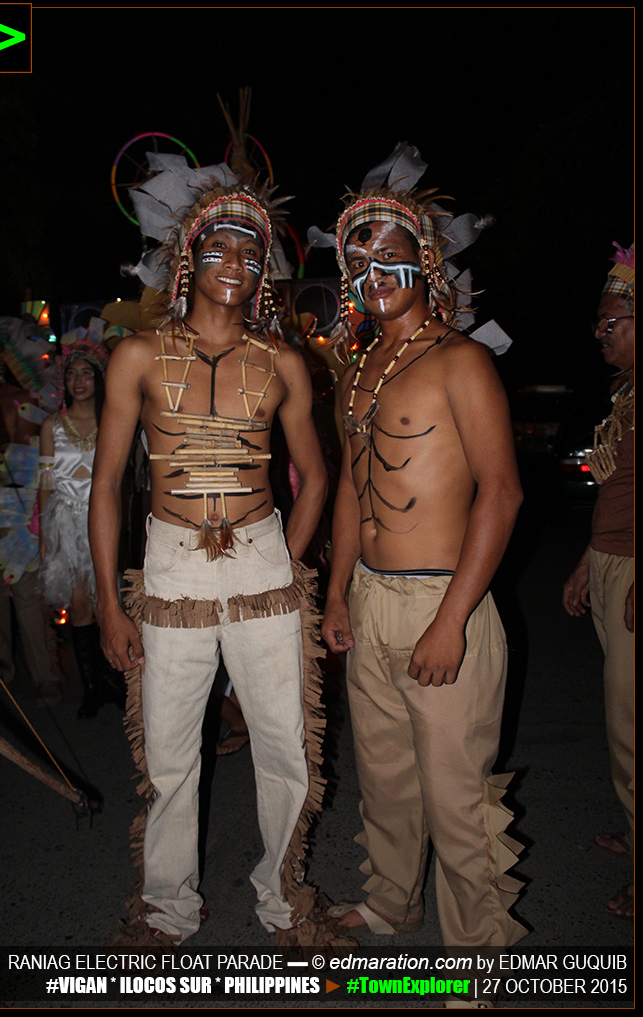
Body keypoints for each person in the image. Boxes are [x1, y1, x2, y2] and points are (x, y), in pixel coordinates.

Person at [89, 156, 328, 944]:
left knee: (284, 744)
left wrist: (279, 565)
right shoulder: (137, 356)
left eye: (252, 253)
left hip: (262, 556)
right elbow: (107, 486)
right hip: (172, 562)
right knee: (169, 748)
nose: (238, 263)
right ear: (190, 257)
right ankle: (166, 907)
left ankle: (281, 898)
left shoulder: (283, 361)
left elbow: (317, 476)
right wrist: (105, 603)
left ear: (265, 270)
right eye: (222, 246)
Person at [314, 144, 526, 986]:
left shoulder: (462, 361)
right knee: (388, 776)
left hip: (446, 602)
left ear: (426, 261)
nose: (374, 271)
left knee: (456, 794)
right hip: (367, 599)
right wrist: (336, 591)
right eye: (357, 258)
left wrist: (450, 621)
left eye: (389, 252)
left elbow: (502, 495)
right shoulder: (359, 370)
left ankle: (480, 956)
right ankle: (391, 901)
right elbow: (345, 487)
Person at [562, 242, 634, 921]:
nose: (600, 333)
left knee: (634, 725)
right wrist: (590, 559)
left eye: (611, 321)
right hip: (616, 561)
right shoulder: (628, 393)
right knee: (624, 722)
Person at [0, 324, 62, 705]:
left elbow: (39, 455)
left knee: (26, 593)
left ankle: (46, 675)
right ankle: (1, 674)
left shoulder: (21, 400)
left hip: (14, 505)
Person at [39, 335, 124, 718]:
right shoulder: (51, 426)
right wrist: (45, 535)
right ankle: (92, 687)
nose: (78, 381)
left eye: (86, 373)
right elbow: (45, 484)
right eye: (71, 374)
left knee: (108, 599)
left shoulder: (114, 420)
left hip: (103, 522)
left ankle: (114, 680)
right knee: (79, 605)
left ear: (99, 378)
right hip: (67, 522)